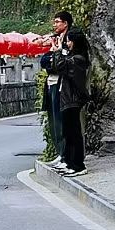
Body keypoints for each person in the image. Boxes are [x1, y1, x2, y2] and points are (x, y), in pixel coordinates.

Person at [46, 25, 90, 174]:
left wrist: (58, 52)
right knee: (68, 133)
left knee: (74, 134)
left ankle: (78, 165)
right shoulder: (72, 57)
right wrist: (57, 52)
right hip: (67, 99)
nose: (67, 43)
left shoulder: (78, 59)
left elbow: (61, 67)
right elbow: (57, 66)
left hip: (73, 99)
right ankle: (70, 163)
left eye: (69, 41)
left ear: (76, 42)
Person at [43, 9, 73, 163]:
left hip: (62, 85)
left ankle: (65, 154)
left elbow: (60, 64)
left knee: (61, 122)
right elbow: (44, 61)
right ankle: (60, 153)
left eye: (57, 22)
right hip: (51, 83)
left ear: (65, 23)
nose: (54, 25)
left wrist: (55, 56)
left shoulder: (70, 39)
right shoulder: (56, 39)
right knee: (54, 122)